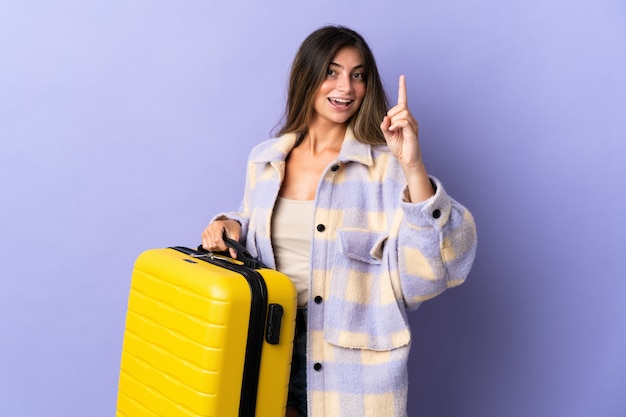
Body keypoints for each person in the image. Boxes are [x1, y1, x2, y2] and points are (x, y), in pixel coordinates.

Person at [201, 25, 477, 417]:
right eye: (331, 71)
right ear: (307, 77)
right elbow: (254, 224)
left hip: (349, 365)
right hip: (266, 343)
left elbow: (435, 270)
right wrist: (230, 225)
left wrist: (413, 165)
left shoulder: (384, 167)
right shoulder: (265, 159)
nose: (345, 87)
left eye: (357, 75)